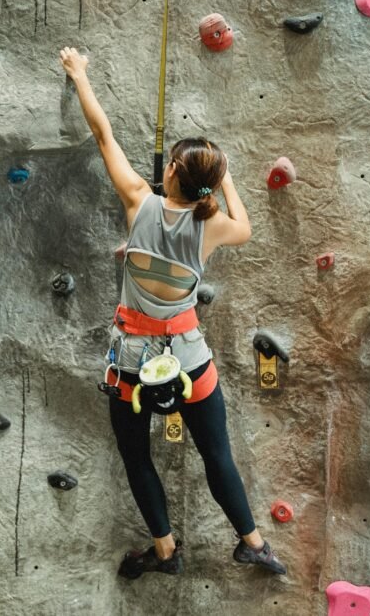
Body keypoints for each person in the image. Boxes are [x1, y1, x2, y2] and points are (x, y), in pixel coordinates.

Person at [58, 47, 286, 579]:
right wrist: (225, 180)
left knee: (137, 456)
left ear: (172, 171)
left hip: (131, 363)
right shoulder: (215, 227)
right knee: (217, 454)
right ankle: (252, 543)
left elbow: (104, 135)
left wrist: (80, 73)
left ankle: (165, 552)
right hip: (189, 359)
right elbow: (245, 226)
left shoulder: (139, 200)